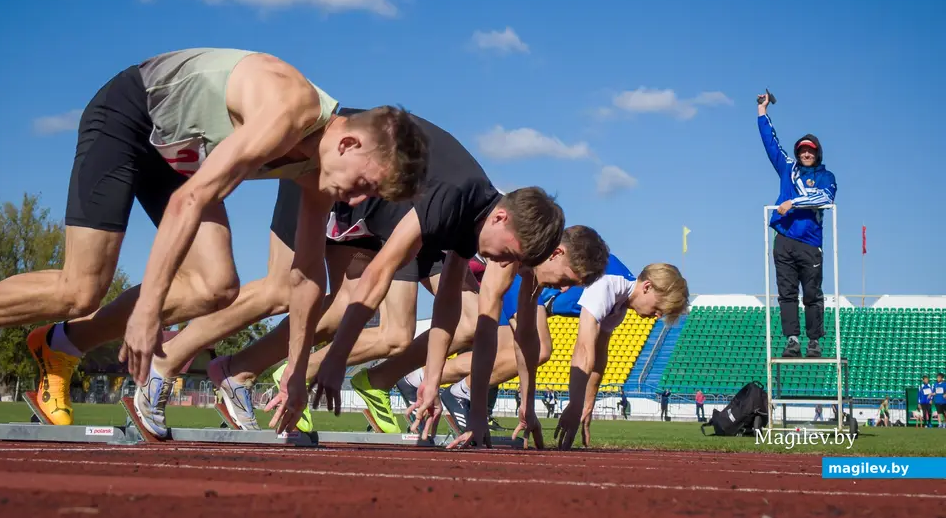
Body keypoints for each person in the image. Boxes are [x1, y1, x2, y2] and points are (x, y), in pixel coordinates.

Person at [0, 49, 429, 427]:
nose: (358, 201)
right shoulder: (287, 111)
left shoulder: (318, 171)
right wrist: (148, 308)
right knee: (80, 290)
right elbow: (189, 201)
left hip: (174, 156)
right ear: (351, 143)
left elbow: (308, 276)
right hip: (131, 118)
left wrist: (293, 371)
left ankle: (59, 347)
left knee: (215, 287)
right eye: (365, 184)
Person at [124, 110, 566, 438]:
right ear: (502, 219)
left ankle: (236, 371)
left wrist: (432, 381)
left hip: (376, 202)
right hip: (334, 165)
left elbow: (449, 303)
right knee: (285, 288)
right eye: (508, 255)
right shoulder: (454, 197)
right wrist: (333, 362)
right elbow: (381, 271)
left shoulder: (476, 217)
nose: (502, 265)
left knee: (331, 307)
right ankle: (167, 358)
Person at [367, 236, 615, 439]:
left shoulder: (529, 267)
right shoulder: (514, 253)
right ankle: (406, 380)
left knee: (489, 331)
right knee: (406, 333)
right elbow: (478, 324)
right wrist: (471, 412)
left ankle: (413, 380)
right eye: (565, 280)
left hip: (458, 253)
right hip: (429, 238)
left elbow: (524, 341)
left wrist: (527, 407)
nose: (562, 289)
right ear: (557, 253)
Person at [555, 264, 690, 449]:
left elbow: (599, 354)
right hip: (530, 289)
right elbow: (584, 349)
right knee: (540, 351)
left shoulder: (618, 309)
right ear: (647, 287)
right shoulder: (609, 285)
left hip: (540, 304)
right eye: (659, 307)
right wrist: (575, 403)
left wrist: (587, 405)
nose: (658, 316)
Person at [757, 92, 837, 358]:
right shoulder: (787, 169)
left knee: (812, 294)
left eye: (810, 151)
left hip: (810, 243)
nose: (805, 153)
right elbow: (771, 143)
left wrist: (794, 202)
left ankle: (814, 342)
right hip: (784, 240)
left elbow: (825, 197)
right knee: (786, 294)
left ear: (817, 154)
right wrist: (762, 111)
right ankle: (792, 340)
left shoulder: (826, 176)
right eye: (802, 149)